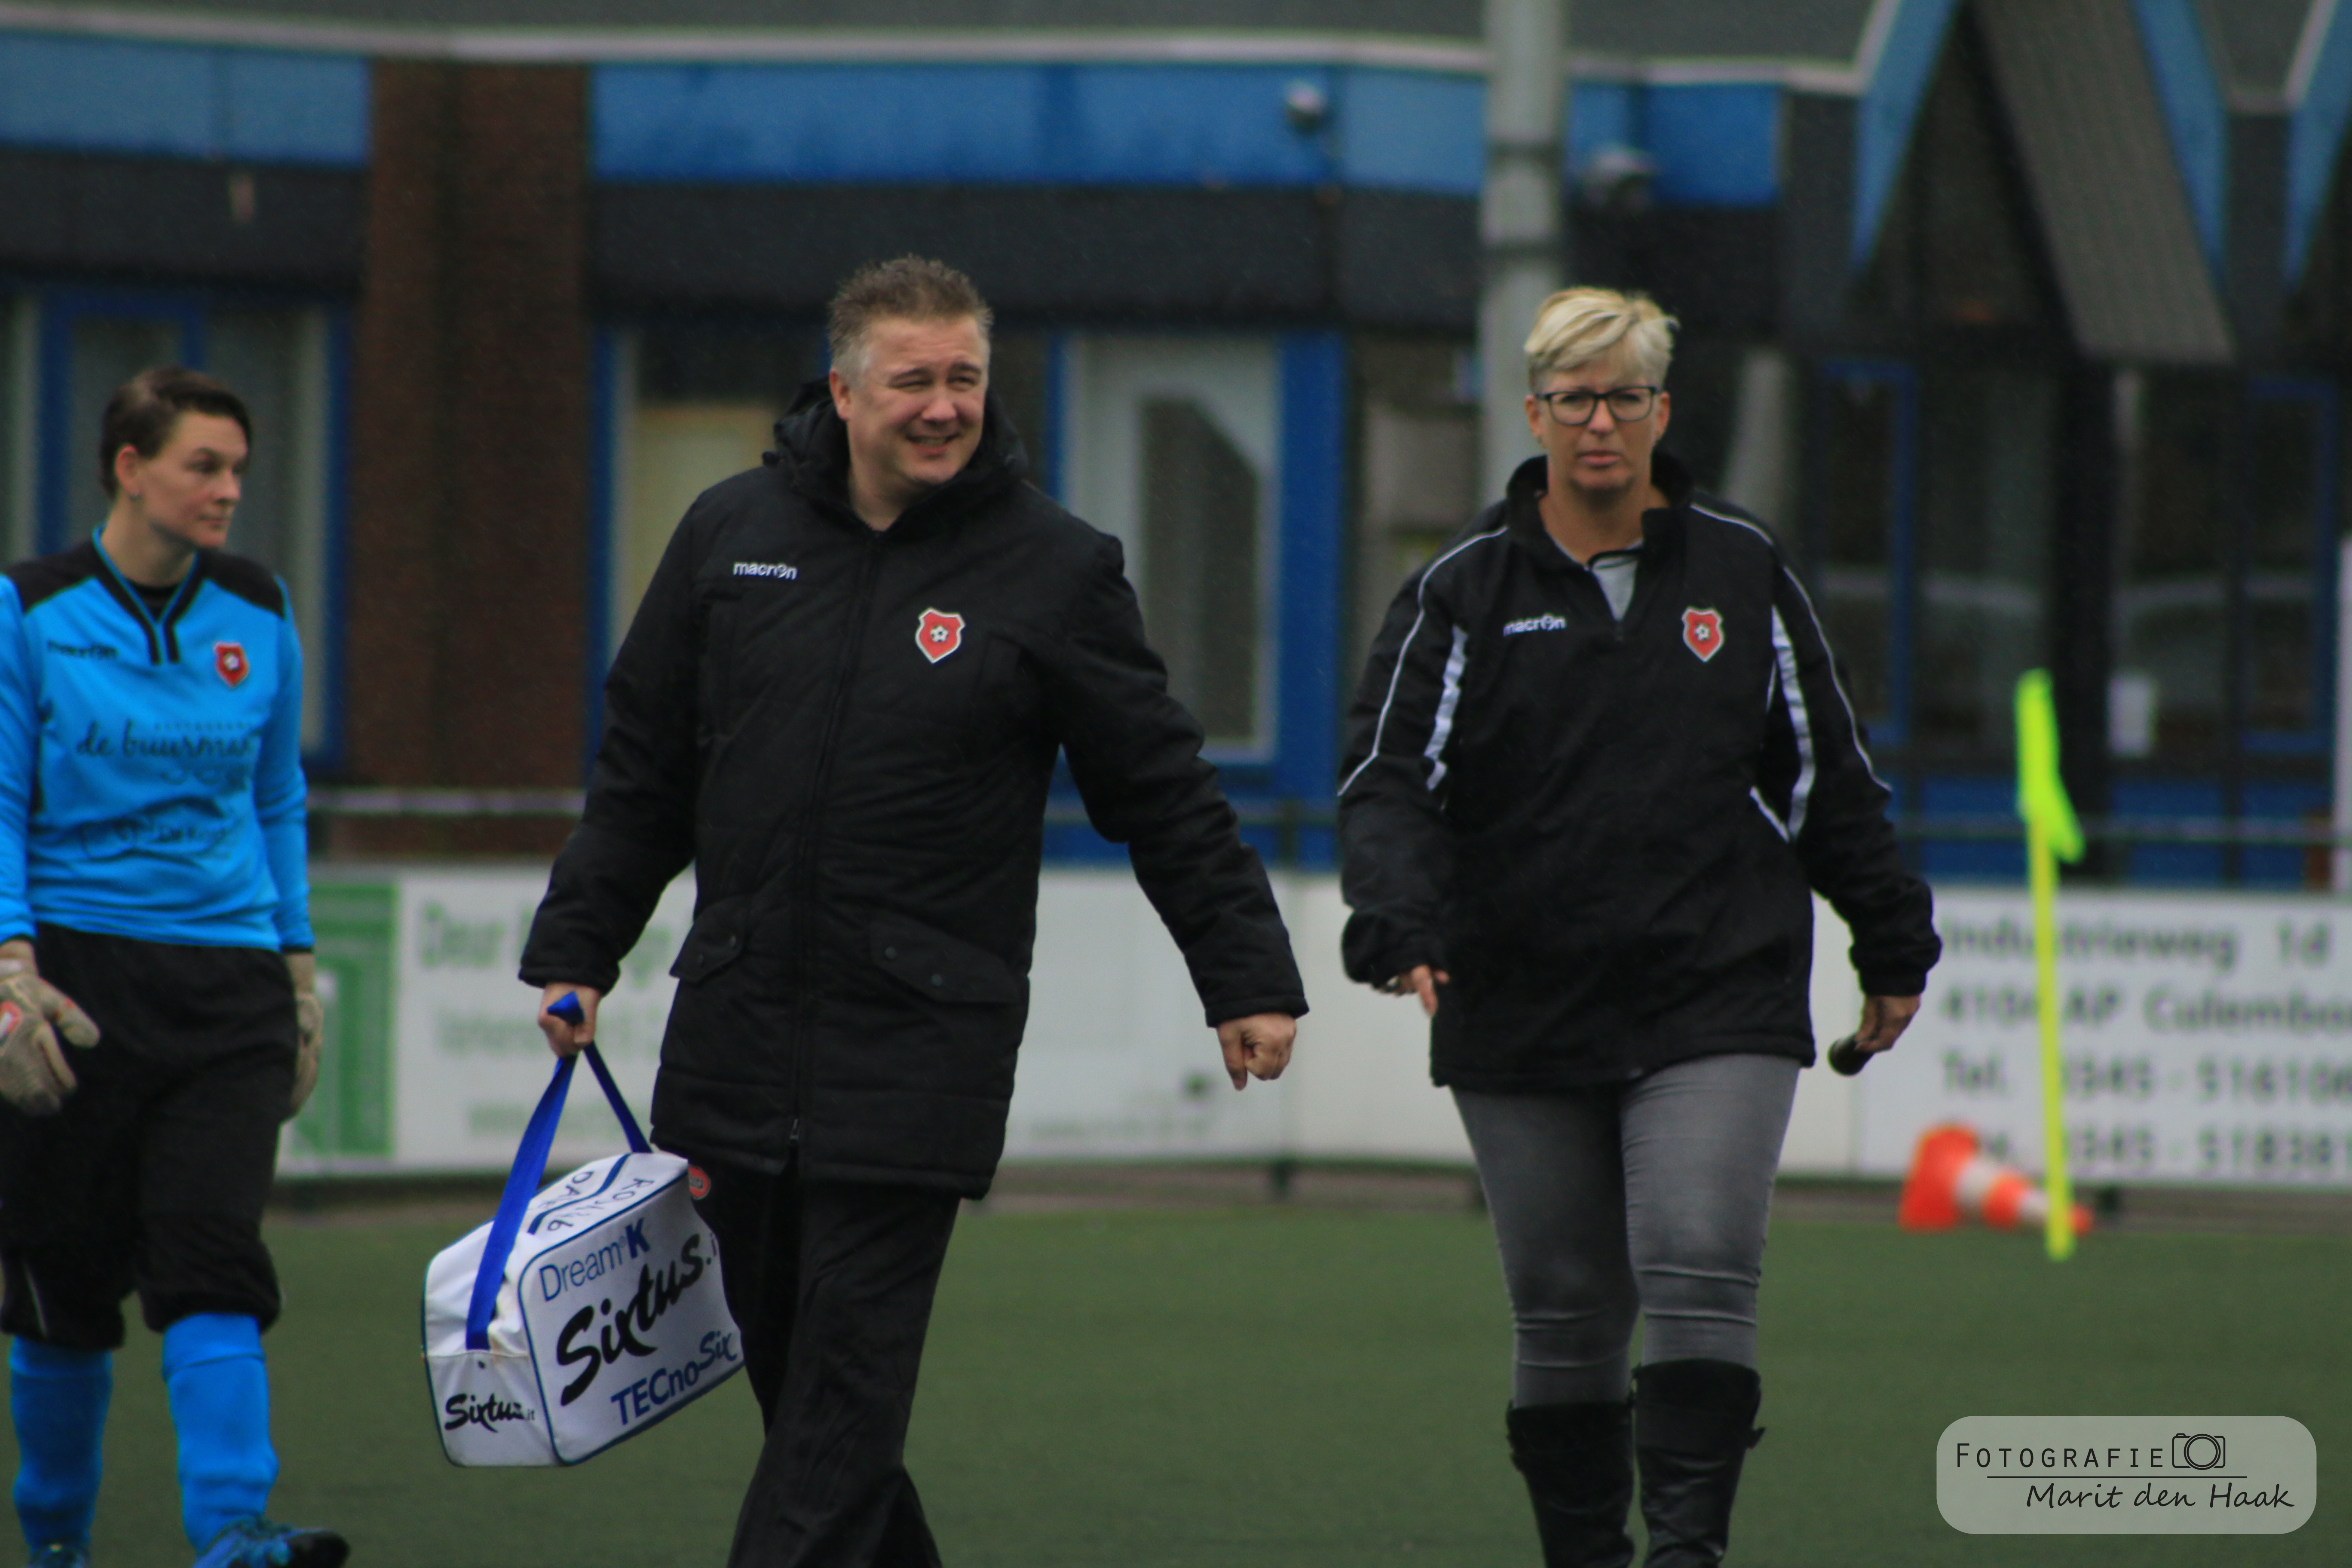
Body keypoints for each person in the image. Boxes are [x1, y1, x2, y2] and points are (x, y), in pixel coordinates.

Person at [520, 255, 1305, 1568]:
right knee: (814, 1415)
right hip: (735, 1036)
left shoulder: (1055, 571)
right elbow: (646, 772)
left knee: (838, 1414)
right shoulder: (729, 535)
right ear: (842, 391)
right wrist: (576, 950)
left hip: (920, 1052)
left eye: (966, 379)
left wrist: (1246, 975)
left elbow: (1164, 790)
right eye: (914, 382)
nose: (946, 407)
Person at [1338, 288, 1939, 1568]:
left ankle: (1685, 1555)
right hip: (1520, 996)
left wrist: (1891, 942)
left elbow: (1827, 772)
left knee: (1700, 1258)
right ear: (1534, 411)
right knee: (1563, 1311)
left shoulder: (1741, 565)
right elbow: (1389, 779)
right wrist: (1400, 917)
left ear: (1661, 412)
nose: (1598, 424)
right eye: (1573, 399)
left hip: (1715, 986)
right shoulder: (1462, 589)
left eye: (1623, 398)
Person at [0, 368, 342, 1568]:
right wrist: (7, 964)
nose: (231, 490)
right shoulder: (28, 609)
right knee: (62, 1288)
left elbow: (278, 797)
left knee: (212, 1257)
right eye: (206, 465)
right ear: (129, 467)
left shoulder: (260, 608)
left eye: (242, 468)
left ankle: (232, 1536)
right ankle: (53, 1543)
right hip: (74, 990)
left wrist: (296, 967)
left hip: (229, 986)